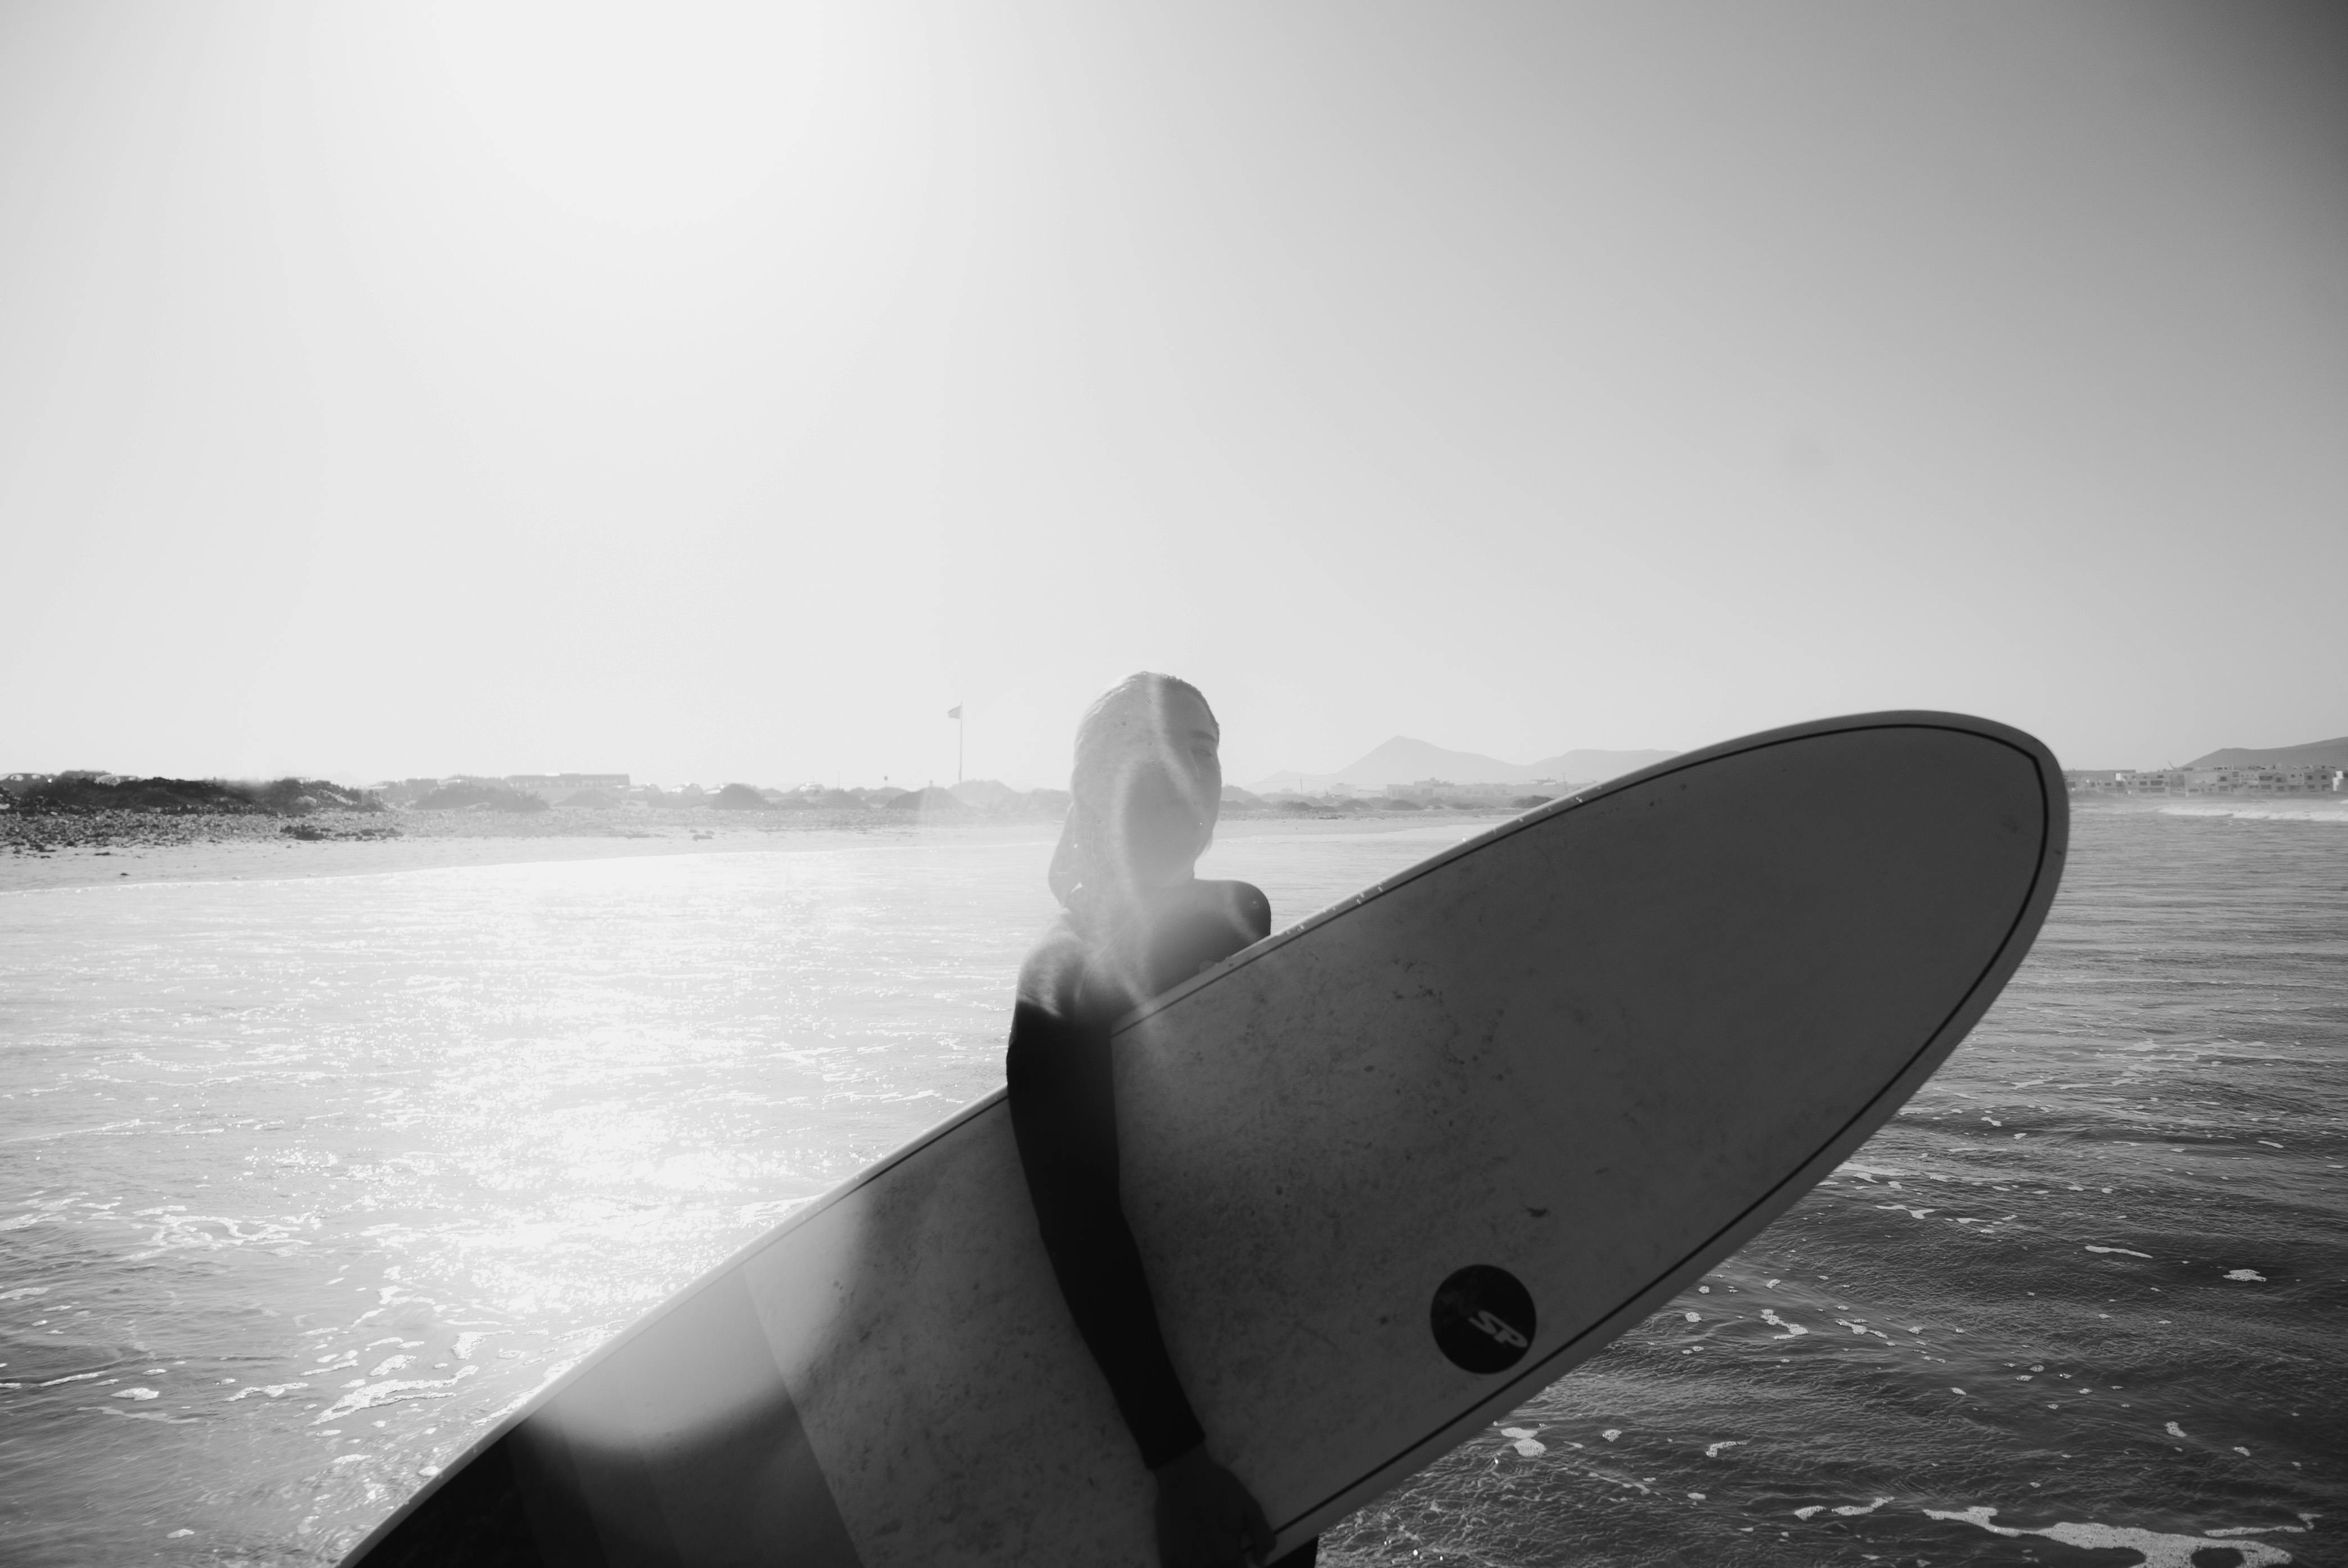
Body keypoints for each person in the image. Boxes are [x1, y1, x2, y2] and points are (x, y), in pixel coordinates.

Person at [1005, 673, 1314, 1568]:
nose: (1188, 768)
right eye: (1154, 745)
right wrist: (1177, 1466)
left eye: (1204, 745)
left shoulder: (1243, 914)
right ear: (1097, 782)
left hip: (1274, 1373)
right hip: (1170, 1428)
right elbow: (1079, 1223)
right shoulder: (1060, 984)